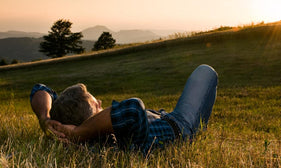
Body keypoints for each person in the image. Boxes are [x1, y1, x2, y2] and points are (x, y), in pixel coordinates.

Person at [30, 64, 218, 154]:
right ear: (90, 121)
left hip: (160, 116)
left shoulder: (64, 120)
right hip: (181, 125)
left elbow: (40, 89)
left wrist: (45, 118)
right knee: (205, 72)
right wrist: (80, 132)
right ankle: (198, 129)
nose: (102, 103)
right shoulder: (115, 139)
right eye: (98, 105)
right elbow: (133, 107)